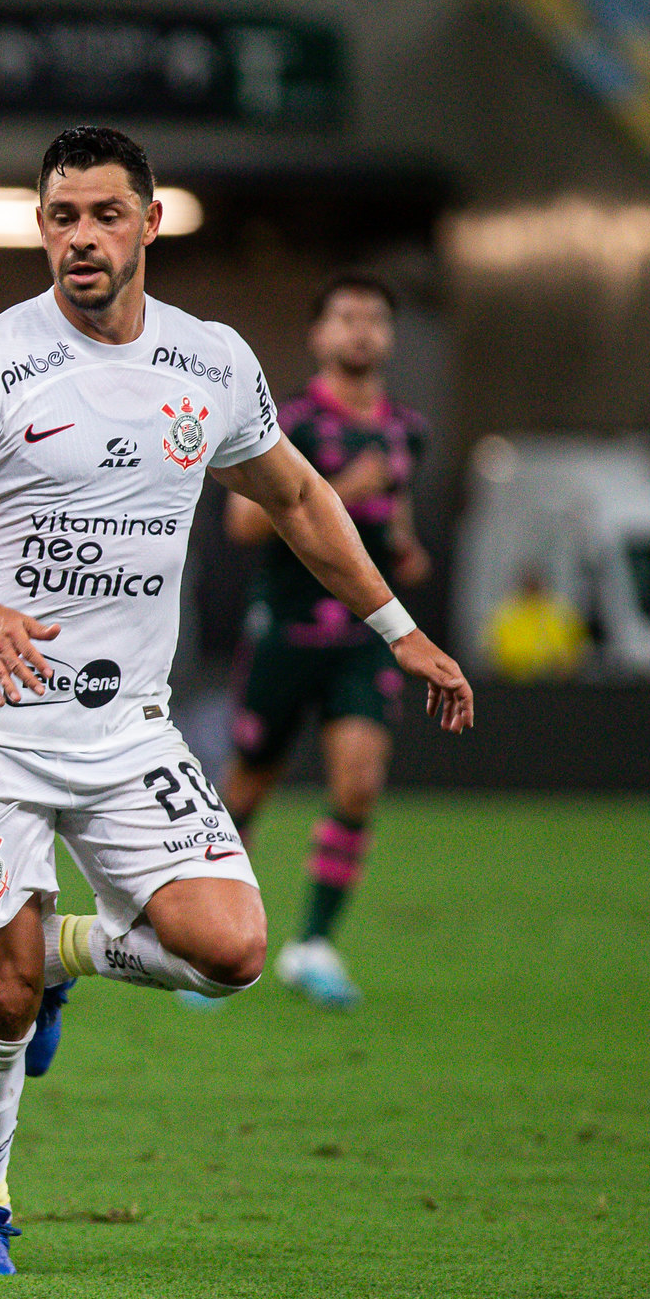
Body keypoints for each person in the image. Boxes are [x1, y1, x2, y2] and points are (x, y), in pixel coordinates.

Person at [0, 126, 473, 1277]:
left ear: (149, 222)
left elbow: (296, 497)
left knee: (230, 951)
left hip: (123, 726)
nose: (81, 239)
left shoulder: (210, 362)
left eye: (105, 215)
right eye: (60, 218)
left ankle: (67, 952)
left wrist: (396, 630)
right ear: (39, 227)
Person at [216, 274, 433, 1011]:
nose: (362, 331)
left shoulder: (408, 429)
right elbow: (243, 526)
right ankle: (215, 941)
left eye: (375, 318)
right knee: (246, 789)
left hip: (362, 637)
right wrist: (340, 486)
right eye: (346, 317)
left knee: (359, 783)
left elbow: (393, 514)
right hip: (285, 633)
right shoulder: (290, 425)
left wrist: (403, 547)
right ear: (318, 335)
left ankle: (312, 945)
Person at [485, 565, 589, 681]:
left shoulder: (561, 614)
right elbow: (491, 652)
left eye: (534, 580)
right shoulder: (505, 614)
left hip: (554, 682)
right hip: (511, 682)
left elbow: (577, 651)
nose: (531, 585)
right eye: (528, 581)